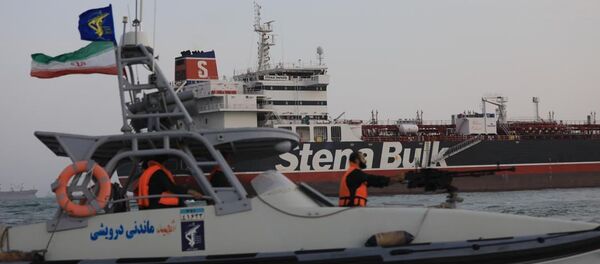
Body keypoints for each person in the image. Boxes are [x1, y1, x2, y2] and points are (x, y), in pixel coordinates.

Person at [339, 151, 404, 207]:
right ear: (357, 160)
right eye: (363, 158)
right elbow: (376, 180)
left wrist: (395, 180)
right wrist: (397, 178)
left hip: (348, 209)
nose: (365, 160)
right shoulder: (355, 174)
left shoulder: (350, 173)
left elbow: (377, 183)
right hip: (352, 209)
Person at [137, 157, 203, 210]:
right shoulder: (158, 172)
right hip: (160, 206)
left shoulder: (148, 171)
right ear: (163, 162)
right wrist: (190, 191)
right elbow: (171, 188)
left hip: (150, 205)